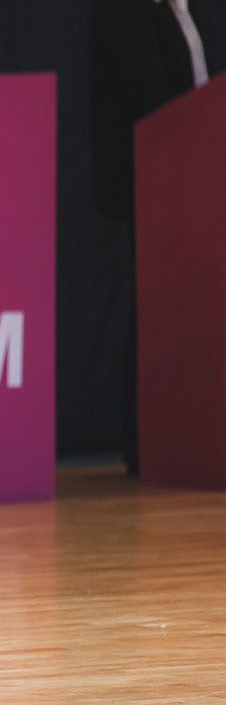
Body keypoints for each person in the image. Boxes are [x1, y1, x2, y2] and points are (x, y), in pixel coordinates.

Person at [88, 0, 216, 474]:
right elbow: (146, 89)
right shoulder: (124, 9)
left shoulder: (182, 11)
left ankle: (184, 434)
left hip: (190, 173)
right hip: (153, 175)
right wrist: (203, 127)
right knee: (155, 308)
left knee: (177, 307)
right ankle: (145, 442)